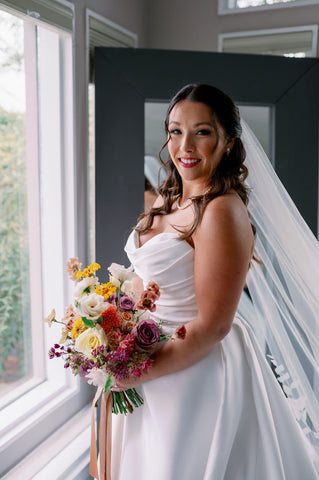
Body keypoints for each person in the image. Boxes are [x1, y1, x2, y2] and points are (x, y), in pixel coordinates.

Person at [109, 84, 319, 479]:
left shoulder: (222, 211)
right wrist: (109, 332)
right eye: (175, 131)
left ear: (228, 142)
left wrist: (135, 371)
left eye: (202, 132)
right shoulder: (166, 199)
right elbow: (143, 279)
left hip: (193, 372)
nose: (185, 145)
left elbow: (212, 326)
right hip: (145, 357)